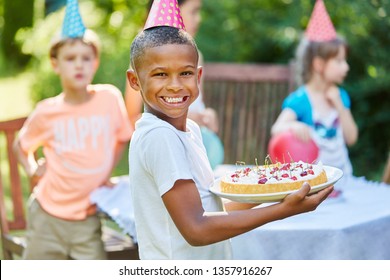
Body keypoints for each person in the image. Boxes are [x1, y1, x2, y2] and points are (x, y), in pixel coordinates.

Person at [127, 0, 333, 260]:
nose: (175, 85)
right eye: (160, 75)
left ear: (198, 76)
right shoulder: (159, 136)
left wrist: (278, 186)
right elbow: (197, 229)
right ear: (135, 80)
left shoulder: (188, 130)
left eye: (185, 73)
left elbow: (213, 209)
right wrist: (284, 211)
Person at [13, 0, 133, 259]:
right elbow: (20, 145)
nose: (79, 65)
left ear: (95, 62)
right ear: (55, 64)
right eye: (70, 58)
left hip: (88, 220)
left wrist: (105, 171)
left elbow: (123, 136)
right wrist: (33, 170)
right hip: (47, 217)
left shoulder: (109, 99)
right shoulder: (47, 112)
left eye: (86, 58)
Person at [271, 0, 388, 189]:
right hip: (314, 188)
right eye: (339, 61)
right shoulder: (301, 99)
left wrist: (340, 107)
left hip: (343, 182)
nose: (346, 67)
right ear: (318, 64)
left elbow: (351, 138)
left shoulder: (340, 96)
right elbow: (276, 129)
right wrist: (293, 125)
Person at [125, 0, 223, 169]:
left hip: (198, 150)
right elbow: (130, 119)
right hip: (167, 159)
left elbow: (195, 101)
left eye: (185, 73)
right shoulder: (146, 58)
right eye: (193, 11)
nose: (198, 19)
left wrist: (207, 115)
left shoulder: (196, 55)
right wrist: (179, 118)